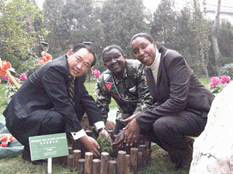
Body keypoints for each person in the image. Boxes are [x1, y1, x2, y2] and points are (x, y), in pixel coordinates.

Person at [122, 33, 214, 169]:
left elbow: (177, 101)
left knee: (161, 125)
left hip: (201, 113)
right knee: (145, 125)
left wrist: (141, 118)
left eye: (144, 46)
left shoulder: (172, 59)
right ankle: (185, 150)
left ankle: (186, 156)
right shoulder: (148, 70)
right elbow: (160, 101)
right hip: (183, 113)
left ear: (154, 44)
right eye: (136, 51)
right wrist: (139, 116)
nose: (141, 52)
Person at [3, 43, 108, 162]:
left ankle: (62, 143)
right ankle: (33, 154)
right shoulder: (55, 69)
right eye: (78, 59)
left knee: (79, 105)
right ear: (70, 53)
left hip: (40, 110)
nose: (79, 66)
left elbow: (85, 98)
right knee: (58, 118)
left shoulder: (76, 74)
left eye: (86, 65)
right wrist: (83, 137)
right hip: (22, 117)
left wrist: (101, 128)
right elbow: (63, 105)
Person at [96, 45, 153, 134]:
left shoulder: (137, 68)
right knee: (118, 138)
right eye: (108, 60)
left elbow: (147, 99)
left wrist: (136, 120)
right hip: (125, 115)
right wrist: (100, 129)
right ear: (105, 65)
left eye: (117, 57)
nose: (113, 61)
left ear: (124, 57)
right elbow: (101, 106)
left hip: (148, 111)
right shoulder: (106, 79)